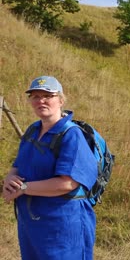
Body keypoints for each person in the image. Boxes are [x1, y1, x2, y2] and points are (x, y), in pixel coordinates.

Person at [2, 76, 98, 260]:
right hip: (31, 222)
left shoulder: (71, 135)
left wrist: (22, 188)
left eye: (48, 95)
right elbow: (18, 164)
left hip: (62, 224)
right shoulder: (32, 130)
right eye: (35, 96)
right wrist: (9, 180)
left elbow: (67, 183)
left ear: (61, 100)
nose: (41, 100)